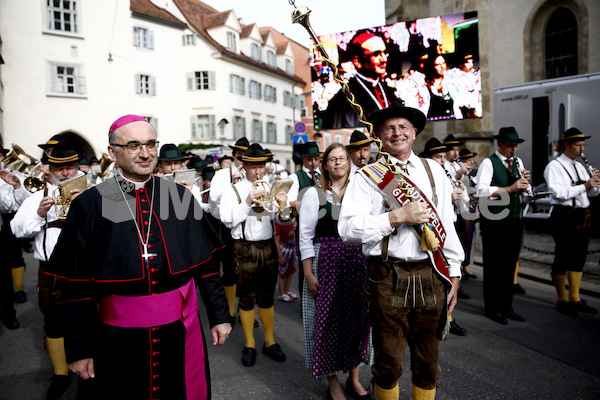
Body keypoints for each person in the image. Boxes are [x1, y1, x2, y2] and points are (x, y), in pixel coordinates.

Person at [43, 115, 231, 400]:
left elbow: (205, 265)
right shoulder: (91, 204)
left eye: (150, 144)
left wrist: (219, 316)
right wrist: (80, 349)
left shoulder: (179, 197)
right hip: (115, 338)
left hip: (177, 333)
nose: (145, 153)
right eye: (133, 145)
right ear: (112, 152)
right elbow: (75, 285)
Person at [339, 103, 464, 400]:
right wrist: (395, 217)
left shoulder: (434, 170)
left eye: (403, 127)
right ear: (380, 135)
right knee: (387, 364)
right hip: (386, 275)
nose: (397, 133)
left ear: (414, 132)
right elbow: (347, 230)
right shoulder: (369, 175)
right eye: (390, 128)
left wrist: (455, 274)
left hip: (431, 273)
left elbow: (447, 224)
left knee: (428, 362)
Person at [11, 145, 84, 400]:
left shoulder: (96, 192)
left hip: (87, 269)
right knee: (54, 321)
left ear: (78, 168)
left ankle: (91, 372)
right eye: (58, 168)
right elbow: (17, 229)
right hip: (51, 271)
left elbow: (119, 225)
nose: (64, 173)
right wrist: (41, 213)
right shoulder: (37, 195)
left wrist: (86, 206)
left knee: (91, 319)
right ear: (50, 169)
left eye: (69, 167)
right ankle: (61, 374)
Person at [300, 143, 372, 400]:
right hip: (326, 260)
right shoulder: (313, 195)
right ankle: (332, 382)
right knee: (328, 322)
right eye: (332, 159)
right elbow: (305, 237)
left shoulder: (360, 192)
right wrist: (308, 273)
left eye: (342, 158)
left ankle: (354, 379)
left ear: (349, 162)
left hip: (356, 261)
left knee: (357, 319)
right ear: (325, 165)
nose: (338, 162)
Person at [219, 143, 287, 367]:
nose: (258, 171)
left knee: (267, 296)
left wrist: (283, 207)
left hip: (267, 246)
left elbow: (281, 220)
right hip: (244, 248)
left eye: (261, 166)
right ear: (244, 166)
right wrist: (248, 202)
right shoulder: (233, 190)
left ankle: (270, 341)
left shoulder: (271, 186)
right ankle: (250, 344)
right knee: (247, 298)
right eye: (253, 166)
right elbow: (228, 220)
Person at [475, 127, 530, 325]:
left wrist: (525, 185)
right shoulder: (489, 163)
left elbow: (520, 190)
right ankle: (493, 308)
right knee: (494, 266)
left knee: (509, 265)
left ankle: (507, 307)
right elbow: (481, 191)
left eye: (515, 146)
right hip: (494, 222)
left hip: (514, 219)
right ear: (500, 144)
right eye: (509, 145)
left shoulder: (517, 162)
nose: (513, 149)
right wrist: (510, 188)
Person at [543, 127, 600, 316]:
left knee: (579, 257)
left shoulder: (580, 165)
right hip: (564, 214)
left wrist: (595, 184)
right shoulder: (555, 166)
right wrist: (585, 185)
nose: (582, 149)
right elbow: (559, 194)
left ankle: (575, 297)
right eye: (578, 145)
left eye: (583, 145)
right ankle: (562, 299)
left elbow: (592, 193)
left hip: (582, 214)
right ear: (566, 145)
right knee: (563, 257)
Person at [419, 138, 469, 336]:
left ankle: (447, 315)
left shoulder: (444, 174)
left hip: (450, 224)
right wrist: (448, 198)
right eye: (438, 157)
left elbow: (463, 207)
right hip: (431, 230)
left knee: (446, 272)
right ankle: (444, 318)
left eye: (443, 157)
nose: (442, 161)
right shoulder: (425, 175)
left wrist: (461, 193)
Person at [321, 30, 398, 129]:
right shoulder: (345, 99)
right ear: (357, 61)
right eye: (376, 54)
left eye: (385, 53)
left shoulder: (386, 89)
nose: (383, 59)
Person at [209, 137, 249, 322]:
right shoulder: (221, 175)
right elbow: (214, 202)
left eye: (246, 158)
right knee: (230, 270)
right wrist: (232, 186)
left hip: (249, 228)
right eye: (240, 157)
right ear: (233, 156)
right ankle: (230, 310)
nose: (243, 161)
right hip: (228, 227)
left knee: (247, 271)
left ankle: (245, 309)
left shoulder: (254, 175)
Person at [288, 141, 322, 297]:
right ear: (303, 160)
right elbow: (289, 203)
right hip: (304, 226)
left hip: (322, 225)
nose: (314, 163)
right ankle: (305, 301)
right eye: (310, 160)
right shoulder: (295, 177)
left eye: (316, 159)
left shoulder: (323, 174)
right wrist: (311, 200)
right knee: (305, 265)